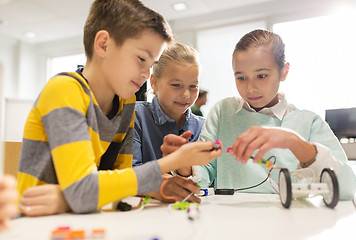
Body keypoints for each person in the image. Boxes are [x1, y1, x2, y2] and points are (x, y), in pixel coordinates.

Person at [16, 0, 222, 217]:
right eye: (141, 58)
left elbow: (121, 179)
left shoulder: (126, 104)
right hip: (35, 222)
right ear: (104, 44)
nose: (145, 74)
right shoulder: (64, 90)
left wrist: (158, 188)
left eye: (151, 64)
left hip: (84, 219)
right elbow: (82, 191)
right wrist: (175, 160)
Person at [163, 29, 356, 200]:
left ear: (284, 71)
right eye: (241, 77)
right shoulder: (224, 112)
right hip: (229, 222)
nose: (251, 88)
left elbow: (348, 187)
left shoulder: (308, 122)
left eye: (262, 76)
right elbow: (203, 176)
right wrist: (184, 164)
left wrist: (295, 143)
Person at [133, 42, 205, 202]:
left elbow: (208, 177)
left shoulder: (203, 126)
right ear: (154, 82)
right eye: (176, 85)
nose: (186, 94)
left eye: (193, 86)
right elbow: (129, 173)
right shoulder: (135, 116)